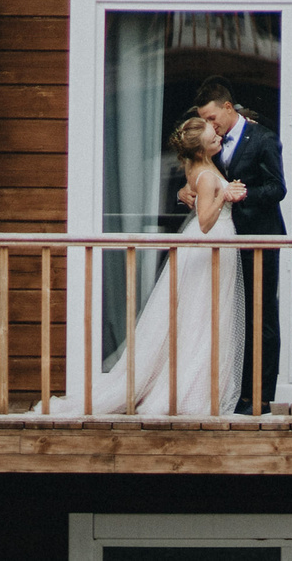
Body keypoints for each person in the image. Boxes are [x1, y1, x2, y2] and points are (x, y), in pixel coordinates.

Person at [71, 114, 245, 416]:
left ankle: (197, 385)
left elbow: (192, 194)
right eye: (211, 136)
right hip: (210, 243)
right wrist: (224, 195)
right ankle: (192, 392)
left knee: (199, 317)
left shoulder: (196, 166)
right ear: (201, 149)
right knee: (203, 318)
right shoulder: (205, 176)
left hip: (211, 246)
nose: (218, 136)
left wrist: (193, 193)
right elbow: (204, 222)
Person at [186, 78, 286, 413]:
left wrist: (242, 195)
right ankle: (231, 390)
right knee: (229, 317)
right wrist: (183, 192)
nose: (209, 125)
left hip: (260, 237)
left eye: (213, 118)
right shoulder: (208, 143)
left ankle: (260, 397)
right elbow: (199, 178)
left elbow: (277, 188)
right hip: (224, 241)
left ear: (229, 108)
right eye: (205, 119)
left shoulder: (263, 137)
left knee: (262, 317)